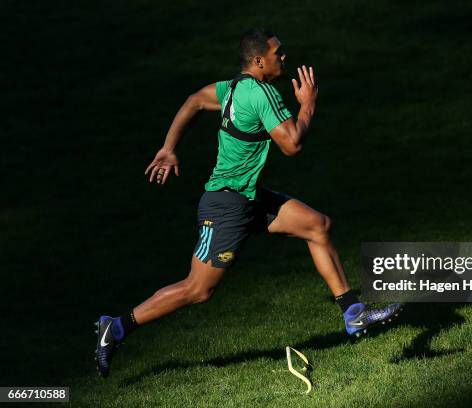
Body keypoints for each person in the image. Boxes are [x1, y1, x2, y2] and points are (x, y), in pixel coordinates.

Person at [95, 28, 401, 378]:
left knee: (317, 225)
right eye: (277, 54)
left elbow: (194, 100)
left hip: (249, 197)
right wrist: (308, 104)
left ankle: (353, 313)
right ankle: (116, 327)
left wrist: (169, 147)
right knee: (198, 289)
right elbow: (292, 145)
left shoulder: (231, 88)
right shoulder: (263, 93)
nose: (283, 58)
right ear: (259, 61)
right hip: (228, 206)